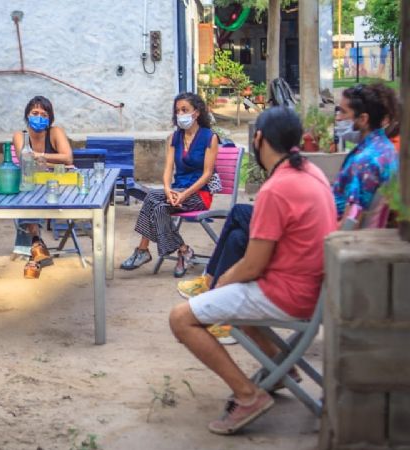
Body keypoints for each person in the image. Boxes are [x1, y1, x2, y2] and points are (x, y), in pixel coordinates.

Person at [169, 107, 338, 435]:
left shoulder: (278, 188)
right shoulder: (311, 173)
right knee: (232, 298)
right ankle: (283, 367)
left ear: (258, 139)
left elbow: (253, 265)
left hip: (289, 296)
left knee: (181, 318)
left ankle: (248, 397)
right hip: (313, 291)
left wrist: (219, 286)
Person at [178, 83, 399, 306]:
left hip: (321, 234)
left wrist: (315, 236)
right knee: (237, 236)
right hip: (325, 225)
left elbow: (352, 219)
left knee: (238, 214)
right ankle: (219, 300)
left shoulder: (367, 161)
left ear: (362, 119)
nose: (338, 117)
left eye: (342, 112)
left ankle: (211, 285)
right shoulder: (381, 149)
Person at [121, 92, 218, 277]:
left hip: (199, 195)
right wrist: (167, 189)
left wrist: (184, 194)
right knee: (158, 207)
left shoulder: (209, 137)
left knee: (153, 200)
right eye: (177, 111)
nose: (180, 114)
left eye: (185, 110)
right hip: (175, 191)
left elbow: (207, 175)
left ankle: (144, 251)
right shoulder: (174, 138)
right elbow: (168, 169)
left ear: (196, 112)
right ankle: (182, 250)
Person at [10, 96, 73, 279]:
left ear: (50, 118)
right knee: (28, 196)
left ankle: (34, 248)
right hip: (34, 183)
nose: (39, 117)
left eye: (44, 114)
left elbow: (68, 158)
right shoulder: (19, 136)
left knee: (28, 195)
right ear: (27, 115)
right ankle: (37, 244)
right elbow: (24, 159)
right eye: (35, 113)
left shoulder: (55, 132)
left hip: (58, 184)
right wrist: (48, 159)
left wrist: (38, 155)